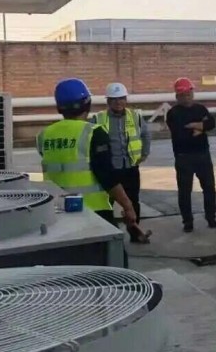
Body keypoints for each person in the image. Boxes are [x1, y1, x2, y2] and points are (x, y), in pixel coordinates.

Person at [37, 78, 150, 243]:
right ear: (87, 103)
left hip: (58, 209)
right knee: (111, 255)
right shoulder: (93, 132)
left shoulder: (44, 135)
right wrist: (127, 206)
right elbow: (106, 176)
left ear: (59, 107)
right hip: (93, 209)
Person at [89, 82, 151, 243]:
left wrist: (144, 153)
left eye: (121, 98)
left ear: (126, 99)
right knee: (106, 203)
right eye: (114, 99)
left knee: (133, 202)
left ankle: (135, 234)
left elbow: (146, 134)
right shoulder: (98, 119)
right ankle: (107, 236)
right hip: (110, 169)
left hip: (130, 167)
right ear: (108, 101)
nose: (118, 102)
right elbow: (89, 141)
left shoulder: (135, 116)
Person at [165, 77, 216, 232]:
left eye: (189, 94)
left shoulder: (200, 109)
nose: (187, 98)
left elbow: (212, 123)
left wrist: (198, 126)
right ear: (177, 96)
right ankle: (187, 221)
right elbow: (180, 134)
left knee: (209, 187)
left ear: (192, 94)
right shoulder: (173, 113)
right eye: (183, 95)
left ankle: (211, 217)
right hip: (184, 157)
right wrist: (202, 127)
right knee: (184, 191)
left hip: (203, 154)